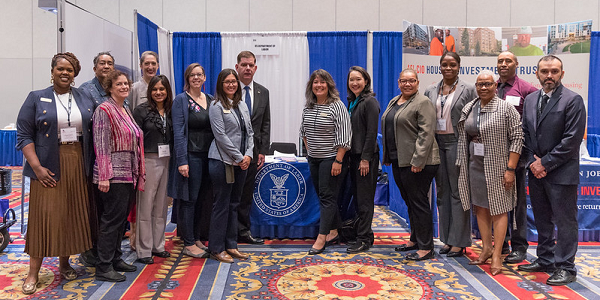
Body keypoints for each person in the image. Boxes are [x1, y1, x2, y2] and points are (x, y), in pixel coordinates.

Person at [16, 52, 94, 294]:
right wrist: (37, 168)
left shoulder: (83, 97)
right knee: (44, 218)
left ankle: (64, 263)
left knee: (70, 214)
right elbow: (24, 135)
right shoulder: (36, 97)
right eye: (60, 68)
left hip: (77, 163)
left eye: (69, 70)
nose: (64, 73)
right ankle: (33, 273)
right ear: (52, 71)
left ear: (75, 74)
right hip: (48, 164)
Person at [518, 55, 586, 286]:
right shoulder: (530, 100)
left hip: (561, 173)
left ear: (562, 74)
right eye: (545, 71)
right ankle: (545, 259)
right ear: (536, 73)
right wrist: (532, 162)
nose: (549, 76)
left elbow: (571, 140)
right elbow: (525, 135)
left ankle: (566, 267)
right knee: (542, 220)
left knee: (566, 222)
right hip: (536, 173)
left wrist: (543, 163)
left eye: (554, 71)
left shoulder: (573, 100)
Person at [456, 70, 523, 276]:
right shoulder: (470, 107)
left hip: (498, 166)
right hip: (474, 164)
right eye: (479, 84)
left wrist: (510, 169)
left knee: (499, 209)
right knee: (481, 207)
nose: (483, 88)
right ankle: (486, 248)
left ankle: (497, 255)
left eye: (487, 84)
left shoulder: (506, 108)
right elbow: (463, 135)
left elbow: (517, 138)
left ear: (495, 85)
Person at [93, 70, 145, 282]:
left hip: (128, 174)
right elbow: (101, 144)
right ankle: (103, 266)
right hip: (113, 176)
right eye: (119, 84)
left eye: (126, 84)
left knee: (120, 220)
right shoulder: (104, 110)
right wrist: (105, 175)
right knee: (111, 221)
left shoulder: (125, 109)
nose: (124, 87)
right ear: (110, 87)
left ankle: (115, 258)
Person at [381, 69, 439, 261]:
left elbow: (426, 134)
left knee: (419, 203)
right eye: (404, 81)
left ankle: (426, 247)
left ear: (417, 82)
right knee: (410, 202)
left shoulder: (423, 102)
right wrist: (388, 155)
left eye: (411, 81)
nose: (407, 84)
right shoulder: (394, 101)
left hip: (418, 162)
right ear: (398, 82)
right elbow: (390, 127)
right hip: (400, 160)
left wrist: (418, 160)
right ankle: (415, 239)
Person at [424, 52, 476, 257]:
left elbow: (475, 115)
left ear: (459, 66)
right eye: (444, 64)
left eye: (452, 65)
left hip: (457, 142)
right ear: (439, 66)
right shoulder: (430, 90)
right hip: (436, 143)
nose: (448, 68)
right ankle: (446, 238)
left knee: (458, 192)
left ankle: (459, 241)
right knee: (442, 192)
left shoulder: (469, 89)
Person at [300, 69, 351, 255]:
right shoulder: (309, 106)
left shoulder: (337, 106)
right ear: (311, 86)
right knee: (324, 197)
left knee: (327, 198)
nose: (319, 85)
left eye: (322, 82)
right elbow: (303, 132)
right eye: (315, 82)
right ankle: (334, 231)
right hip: (314, 159)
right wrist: (310, 153)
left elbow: (345, 137)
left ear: (329, 85)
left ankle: (322, 238)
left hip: (332, 159)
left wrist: (338, 161)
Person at [207, 69, 254, 263]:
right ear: (220, 84)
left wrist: (248, 155)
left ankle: (231, 245)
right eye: (227, 82)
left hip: (241, 161)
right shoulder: (216, 106)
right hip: (222, 161)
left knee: (235, 204)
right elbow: (221, 136)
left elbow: (250, 132)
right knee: (222, 205)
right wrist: (238, 157)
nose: (231, 85)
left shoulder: (242, 104)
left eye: (234, 81)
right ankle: (216, 248)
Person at [495, 51, 538, 264]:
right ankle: (501, 242)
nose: (504, 64)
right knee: (496, 201)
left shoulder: (527, 89)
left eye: (508, 61)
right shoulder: (491, 88)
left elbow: (536, 120)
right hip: (493, 156)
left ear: (516, 64)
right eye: (500, 61)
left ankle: (519, 246)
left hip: (516, 157)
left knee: (517, 203)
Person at [170, 63, 214, 259]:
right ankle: (188, 242)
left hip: (209, 157)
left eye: (200, 75)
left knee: (202, 200)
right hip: (190, 156)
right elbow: (178, 132)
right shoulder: (181, 100)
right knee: (189, 200)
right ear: (187, 79)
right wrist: (182, 160)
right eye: (192, 75)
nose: (196, 78)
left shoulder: (211, 100)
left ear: (205, 78)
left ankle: (196, 237)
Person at [78, 51, 115, 267]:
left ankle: (106, 249)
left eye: (110, 63)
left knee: (108, 207)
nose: (106, 66)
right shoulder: (86, 90)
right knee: (93, 205)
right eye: (102, 63)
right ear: (95, 68)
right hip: (92, 155)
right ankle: (90, 249)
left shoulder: (115, 89)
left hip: (113, 158)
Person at [133, 75, 174, 264]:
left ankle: (158, 245)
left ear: (167, 91)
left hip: (167, 160)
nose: (159, 92)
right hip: (148, 160)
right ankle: (144, 249)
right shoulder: (141, 111)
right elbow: (135, 140)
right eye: (155, 89)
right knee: (145, 206)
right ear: (150, 92)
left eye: (162, 89)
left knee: (161, 206)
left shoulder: (171, 110)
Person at [236, 51, 270, 245]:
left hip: (253, 152)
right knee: (230, 194)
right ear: (237, 67)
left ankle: (242, 231)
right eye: (244, 64)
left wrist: (263, 151)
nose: (247, 68)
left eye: (251, 65)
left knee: (246, 194)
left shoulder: (263, 92)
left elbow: (266, 123)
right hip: (230, 151)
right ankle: (227, 231)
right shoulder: (229, 89)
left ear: (255, 68)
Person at [345, 66, 379, 253]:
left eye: (358, 79)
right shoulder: (353, 102)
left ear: (366, 81)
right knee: (359, 199)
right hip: (355, 157)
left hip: (366, 158)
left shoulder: (370, 102)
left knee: (365, 200)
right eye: (351, 80)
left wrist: (365, 159)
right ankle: (366, 234)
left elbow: (372, 133)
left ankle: (363, 239)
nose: (355, 83)